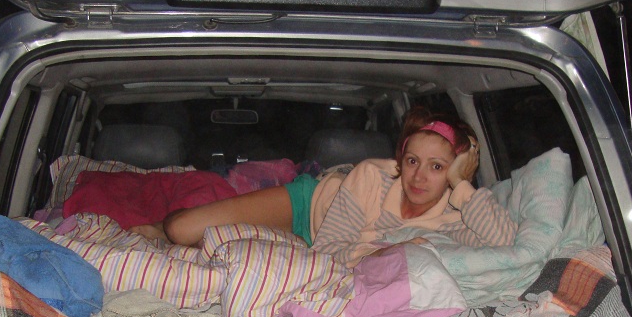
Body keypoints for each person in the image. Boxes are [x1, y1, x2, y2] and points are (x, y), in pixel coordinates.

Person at [133, 106, 517, 265]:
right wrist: (393, 250)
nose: (418, 177)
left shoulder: (458, 212)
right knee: (179, 230)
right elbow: (331, 249)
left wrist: (461, 185)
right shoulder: (373, 174)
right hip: (308, 208)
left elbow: (507, 242)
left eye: (437, 167)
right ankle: (159, 226)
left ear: (457, 171)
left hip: (310, 250)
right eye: (413, 161)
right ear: (400, 159)